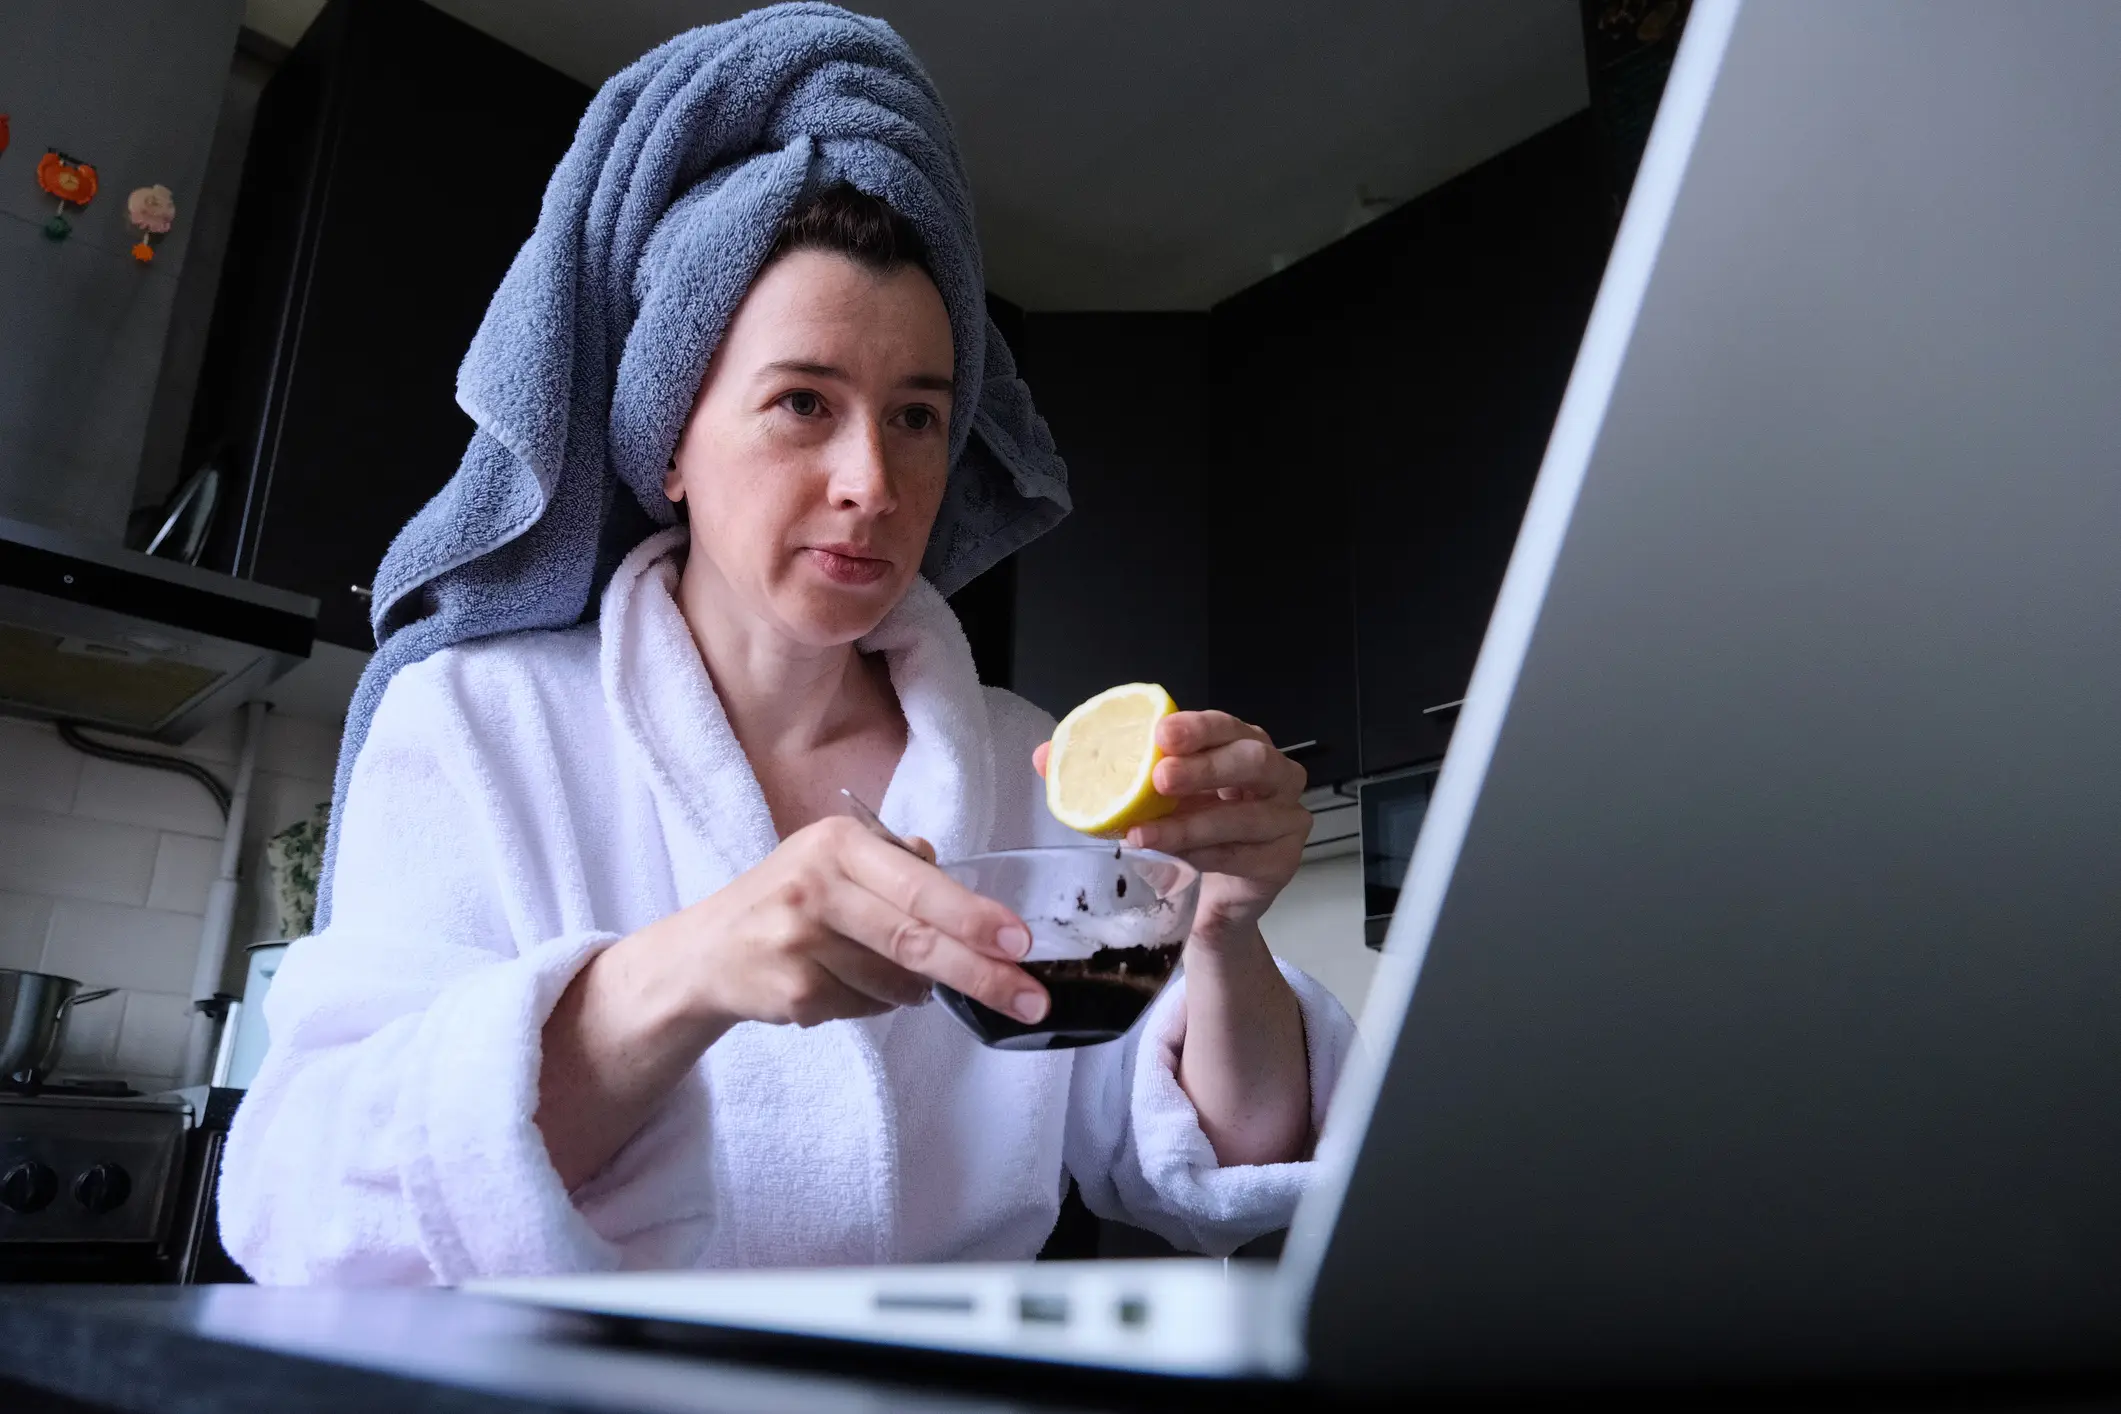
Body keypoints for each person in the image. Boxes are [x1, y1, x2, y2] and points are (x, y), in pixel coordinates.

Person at [219, 5, 1353, 1284]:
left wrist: (1227, 936)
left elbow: (1211, 1170)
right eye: (803, 402)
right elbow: (301, 1198)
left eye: (918, 416)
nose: (873, 480)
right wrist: (689, 970)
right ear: (667, 443)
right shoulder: (478, 726)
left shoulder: (1026, 759)